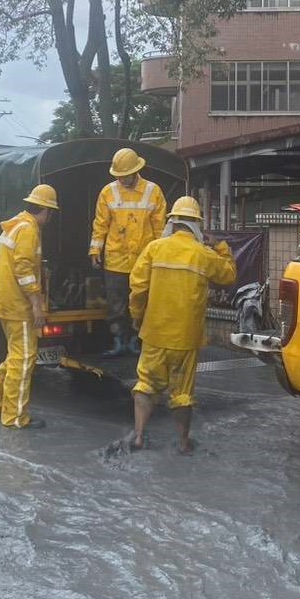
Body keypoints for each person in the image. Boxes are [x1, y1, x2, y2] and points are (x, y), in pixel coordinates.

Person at [126, 196, 236, 453]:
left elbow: (138, 287)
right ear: (198, 225)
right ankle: (184, 442)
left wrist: (137, 315)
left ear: (172, 222)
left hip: (155, 332)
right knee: (182, 393)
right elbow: (229, 276)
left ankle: (139, 435)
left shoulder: (154, 248)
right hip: (186, 338)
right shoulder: (204, 254)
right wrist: (221, 246)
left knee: (145, 383)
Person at [0, 184, 58, 429]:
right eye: (51, 212)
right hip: (17, 305)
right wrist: (37, 305)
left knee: (15, 356)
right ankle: (14, 417)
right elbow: (24, 269)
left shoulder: (17, 224)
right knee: (24, 359)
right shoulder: (28, 230)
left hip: (5, 302)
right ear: (45, 210)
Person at [90, 148, 167, 357]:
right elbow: (101, 223)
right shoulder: (108, 192)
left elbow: (160, 227)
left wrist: (160, 256)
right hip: (116, 259)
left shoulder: (153, 191)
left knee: (141, 302)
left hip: (144, 260)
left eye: (125, 175)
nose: (121, 179)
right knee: (116, 303)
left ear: (136, 171)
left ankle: (136, 340)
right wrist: (95, 248)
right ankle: (118, 340)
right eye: (118, 176)